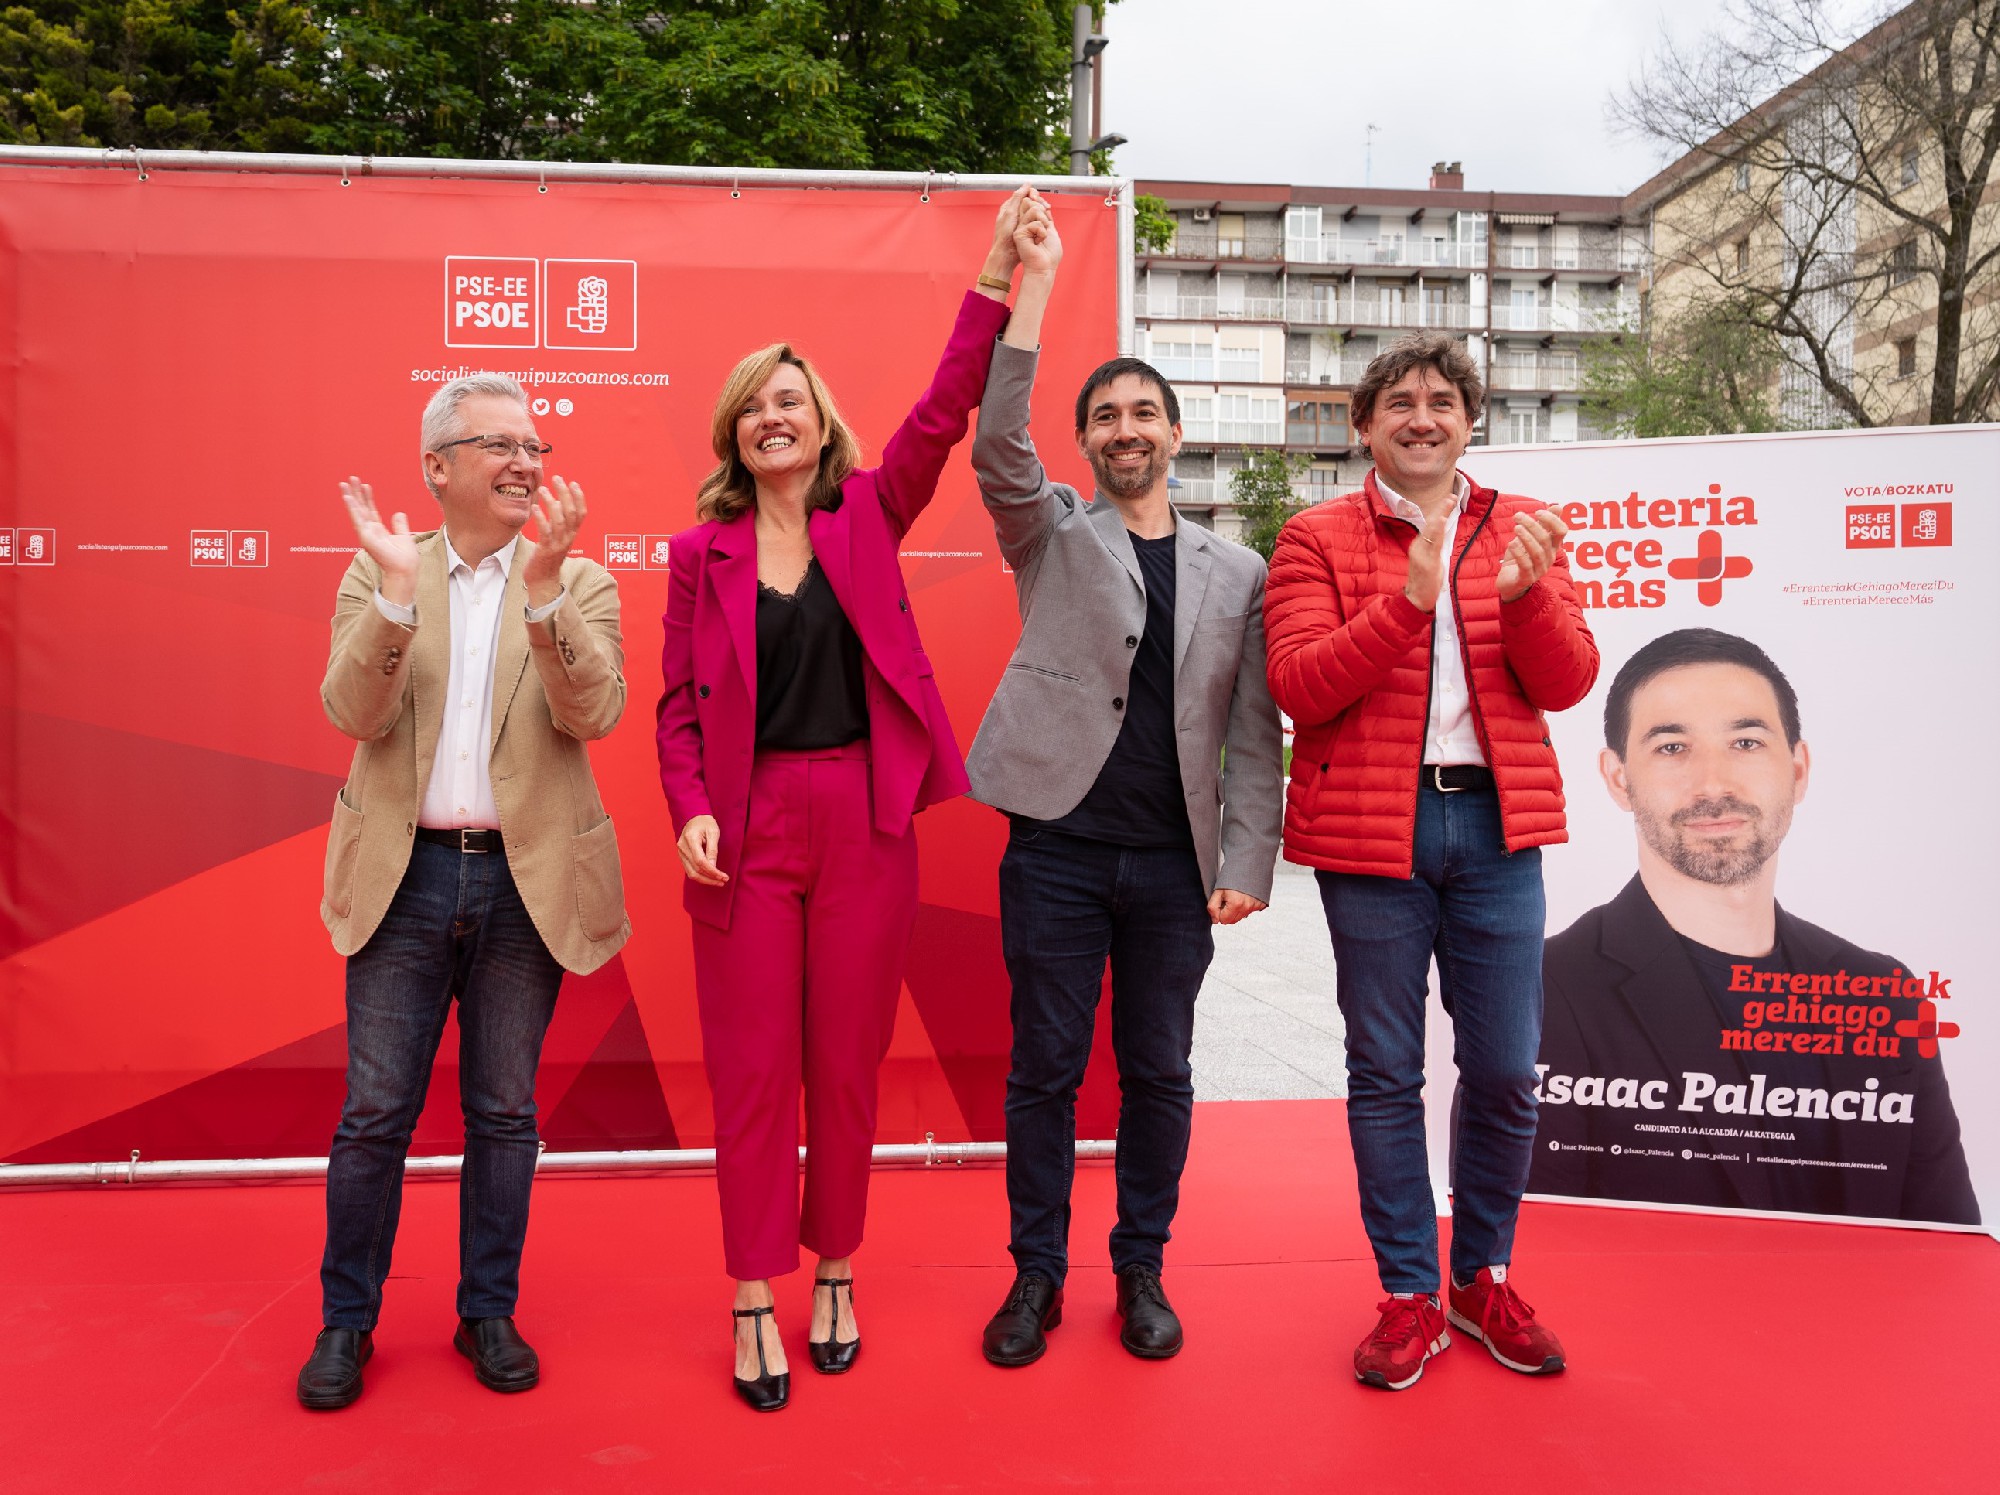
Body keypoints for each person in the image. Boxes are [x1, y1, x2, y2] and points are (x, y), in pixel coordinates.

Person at [654, 188, 1034, 1412]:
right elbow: (675, 707)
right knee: (753, 1069)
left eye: (789, 400)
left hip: (865, 821)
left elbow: (943, 406)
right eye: (752, 406)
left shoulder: (868, 510)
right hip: (746, 825)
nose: (772, 417)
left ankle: (834, 1270)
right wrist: (689, 804)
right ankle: (750, 1290)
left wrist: (993, 275)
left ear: (820, 424)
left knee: (846, 1066)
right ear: (733, 435)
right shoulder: (695, 556)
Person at [966, 197, 1284, 1369]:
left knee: (1158, 1071)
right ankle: (1035, 1274)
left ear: (1175, 433)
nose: (1124, 427)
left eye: (1143, 410)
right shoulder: (1051, 533)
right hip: (1053, 850)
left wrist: (1245, 860)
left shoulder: (1237, 570)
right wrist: (1034, 284)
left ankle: (1139, 1265)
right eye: (1104, 415)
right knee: (1042, 1070)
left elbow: (1252, 734)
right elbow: (996, 444)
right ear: (1087, 442)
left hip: (1170, 869)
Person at [1263, 332, 1597, 1391]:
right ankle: (1408, 1291)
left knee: (1503, 1068)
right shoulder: (1314, 535)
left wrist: (1527, 595)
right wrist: (1405, 601)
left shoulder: (1520, 527)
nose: (1421, 416)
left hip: (1496, 828)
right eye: (1399, 401)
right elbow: (1299, 684)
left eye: (1442, 400)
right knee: (1384, 1071)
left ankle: (1480, 1276)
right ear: (1364, 425)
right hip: (1374, 832)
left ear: (1468, 420)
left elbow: (1566, 683)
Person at [298, 374, 629, 1410]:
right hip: (404, 878)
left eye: (534, 445)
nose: (526, 461)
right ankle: (346, 1320)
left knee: (503, 1111)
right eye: (500, 444)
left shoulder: (579, 580)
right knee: (374, 1113)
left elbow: (595, 713)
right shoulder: (379, 569)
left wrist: (547, 592)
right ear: (437, 467)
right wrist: (397, 597)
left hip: (528, 882)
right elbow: (351, 712)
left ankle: (488, 1308)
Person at [1532, 628, 1977, 1224]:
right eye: (1671, 747)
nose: (1713, 784)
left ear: (1798, 769)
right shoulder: (1541, 992)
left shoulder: (1885, 995)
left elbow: (1946, 1246)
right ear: (1618, 780)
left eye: (1746, 742)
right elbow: (1522, 1254)